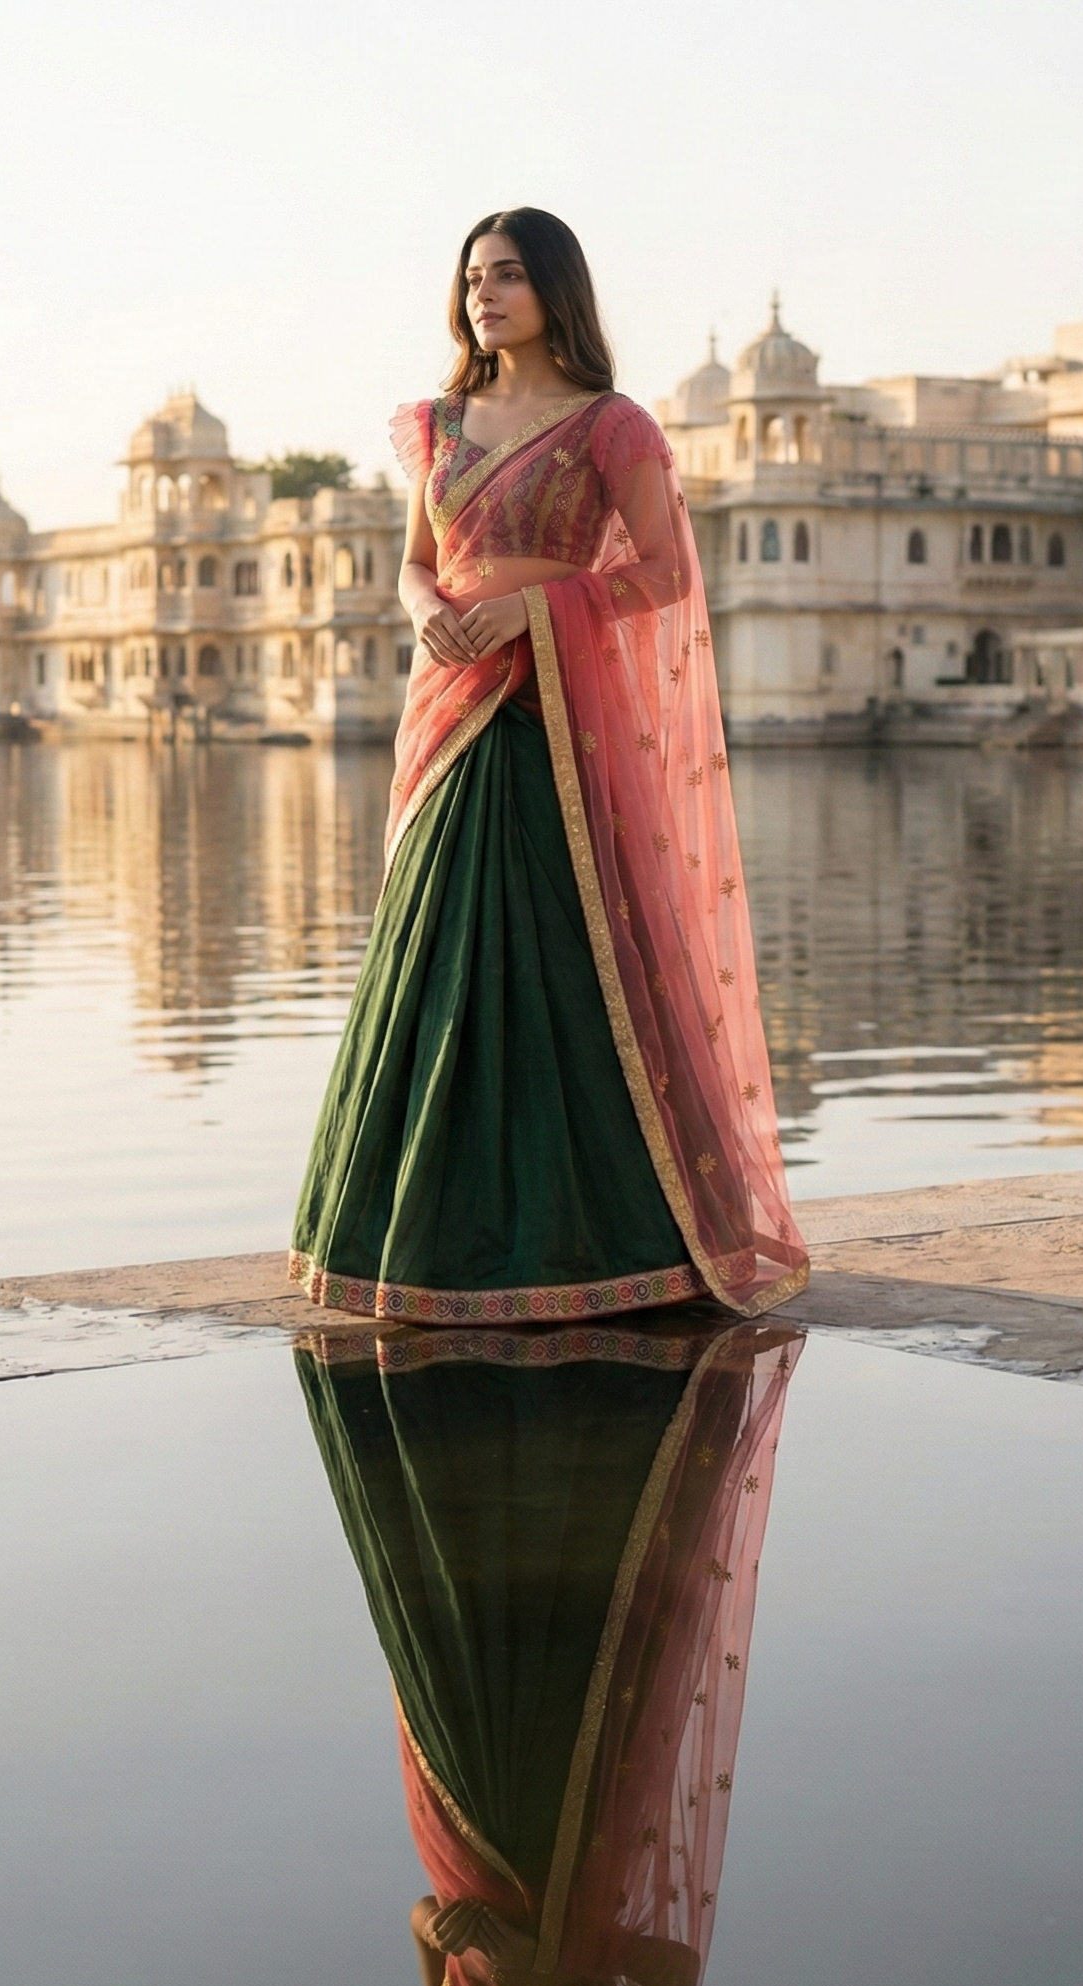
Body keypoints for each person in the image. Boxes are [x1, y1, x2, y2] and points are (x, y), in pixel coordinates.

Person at [290, 208, 807, 1326]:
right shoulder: (434, 424)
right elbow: (415, 563)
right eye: (472, 276)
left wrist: (534, 607)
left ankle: (606, 1235)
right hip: (449, 709)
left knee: (567, 959)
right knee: (433, 955)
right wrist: (426, 607)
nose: (485, 293)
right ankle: (408, 1235)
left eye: (509, 274)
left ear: (554, 288)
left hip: (552, 720)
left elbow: (667, 574)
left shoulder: (608, 427)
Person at [295, 1314, 802, 1986]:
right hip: (569, 1843)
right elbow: (672, 1976)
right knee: (580, 1644)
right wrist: (551, 1962)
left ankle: (440, 1407)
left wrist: (459, 1935)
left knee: (451, 1635)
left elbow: (429, 1925)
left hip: (463, 1835)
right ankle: (607, 1413)